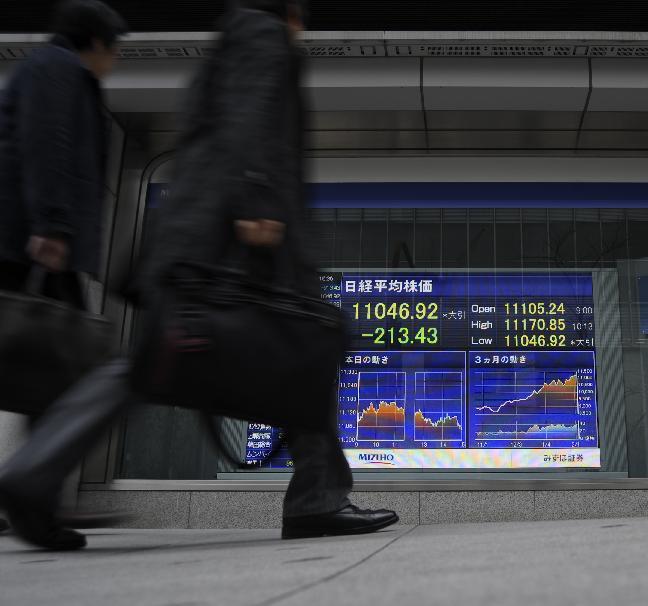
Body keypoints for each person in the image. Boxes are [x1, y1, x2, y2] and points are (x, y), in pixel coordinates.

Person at [0, 0, 398, 552]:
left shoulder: (233, 41)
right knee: (303, 351)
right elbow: (250, 119)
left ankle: (35, 473)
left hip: (201, 243)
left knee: (160, 368)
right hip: (236, 246)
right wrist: (259, 205)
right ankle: (317, 501)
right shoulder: (262, 37)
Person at [0, 0, 128, 545]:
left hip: (30, 243)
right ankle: (34, 496)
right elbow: (48, 145)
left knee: (57, 380)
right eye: (113, 51)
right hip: (30, 246)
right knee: (75, 375)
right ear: (94, 43)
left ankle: (37, 497)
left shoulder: (45, 69)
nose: (114, 62)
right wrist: (52, 226)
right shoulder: (57, 70)